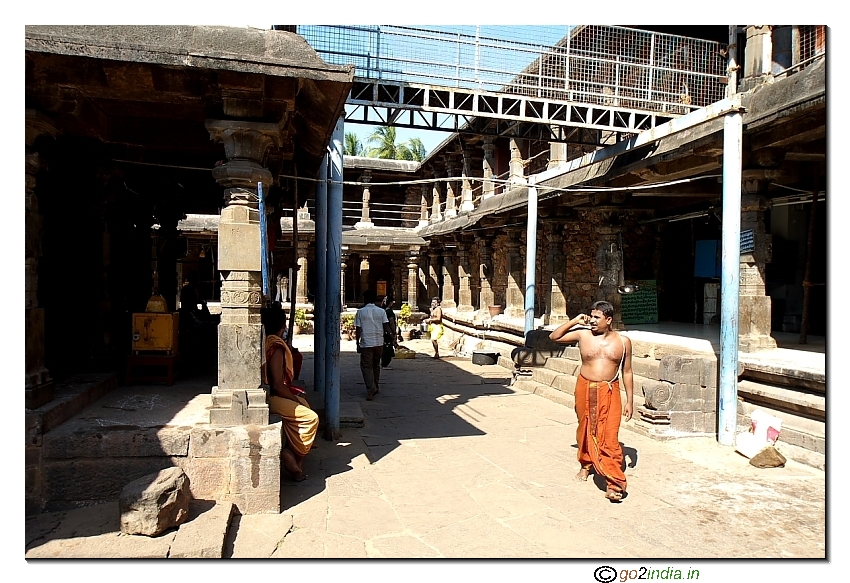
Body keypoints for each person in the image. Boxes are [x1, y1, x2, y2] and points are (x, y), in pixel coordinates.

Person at [548, 300, 634, 502]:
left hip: (610, 390)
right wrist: (575, 321)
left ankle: (614, 484)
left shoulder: (623, 342)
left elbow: (627, 371)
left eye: (597, 317)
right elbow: (554, 337)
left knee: (610, 435)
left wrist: (630, 401)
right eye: (591, 316)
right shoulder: (583, 335)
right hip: (585, 387)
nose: (592, 321)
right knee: (585, 428)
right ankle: (586, 464)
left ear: (608, 319)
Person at [262, 304, 318, 482]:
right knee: (311, 418)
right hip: (270, 396)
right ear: (282, 326)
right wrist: (295, 399)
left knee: (305, 402)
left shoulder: (266, 342)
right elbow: (278, 386)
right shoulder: (276, 348)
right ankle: (292, 455)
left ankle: (295, 457)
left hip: (269, 393)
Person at [355, 289, 397, 400]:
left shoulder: (360, 312)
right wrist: (393, 338)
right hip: (379, 342)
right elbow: (386, 326)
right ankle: (376, 385)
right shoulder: (381, 311)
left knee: (366, 367)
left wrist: (357, 342)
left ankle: (371, 389)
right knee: (376, 365)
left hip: (367, 343)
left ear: (366, 299)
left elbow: (358, 329)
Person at [381, 296, 398, 368]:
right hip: (389, 331)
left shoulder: (382, 311)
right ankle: (385, 363)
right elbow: (391, 322)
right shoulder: (389, 311)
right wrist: (394, 331)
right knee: (388, 346)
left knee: (384, 346)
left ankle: (383, 361)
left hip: (383, 330)